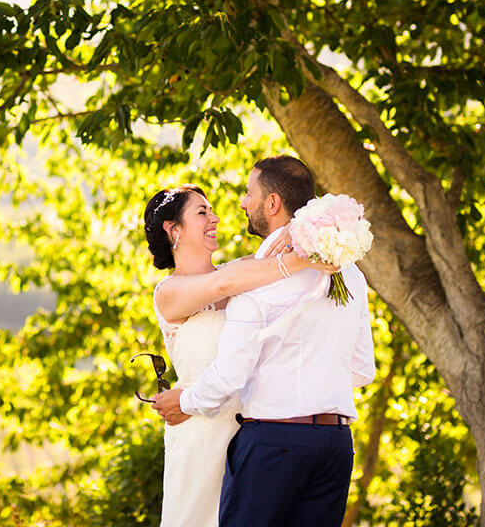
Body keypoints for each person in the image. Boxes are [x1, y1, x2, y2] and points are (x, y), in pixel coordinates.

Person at [152, 156, 376, 527]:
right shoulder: (345, 273)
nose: (230, 209)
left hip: (263, 437)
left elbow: (231, 372)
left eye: (248, 194)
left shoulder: (254, 277)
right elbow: (362, 369)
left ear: (272, 204)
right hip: (324, 443)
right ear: (173, 230)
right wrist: (313, 247)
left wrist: (185, 401)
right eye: (202, 213)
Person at [143, 182, 318, 527]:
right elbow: (224, 285)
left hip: (253, 431)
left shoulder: (240, 272)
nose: (216, 218)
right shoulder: (169, 292)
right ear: (173, 229)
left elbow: (256, 266)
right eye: (202, 212)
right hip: (199, 427)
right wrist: (301, 259)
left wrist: (305, 235)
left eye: (213, 211)